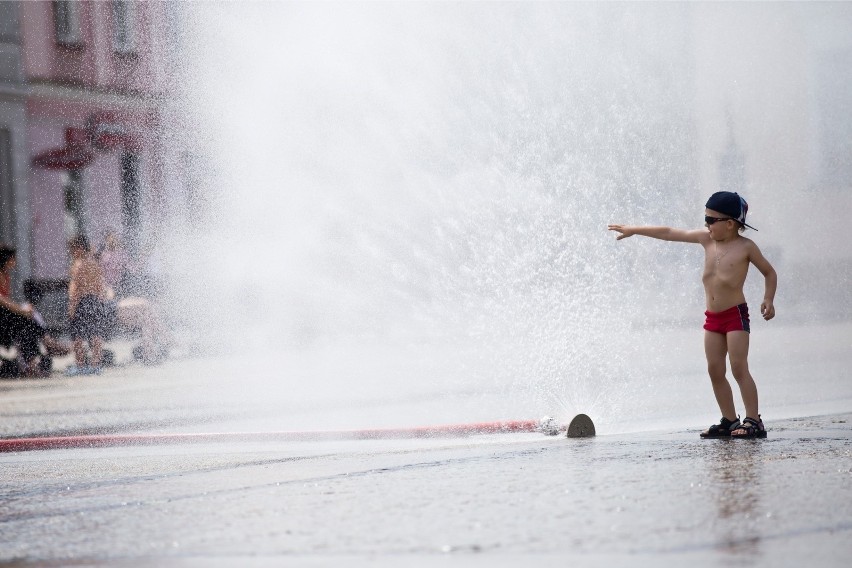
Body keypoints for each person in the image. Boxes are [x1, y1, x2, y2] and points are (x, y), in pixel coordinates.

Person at [608, 191, 777, 439]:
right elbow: (668, 233)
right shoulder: (706, 240)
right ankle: (730, 420)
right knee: (714, 370)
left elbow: (770, 273)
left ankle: (754, 420)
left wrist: (768, 299)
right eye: (705, 219)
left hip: (735, 316)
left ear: (730, 224)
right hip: (713, 318)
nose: (706, 225)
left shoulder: (746, 247)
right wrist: (635, 229)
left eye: (711, 220)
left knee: (739, 368)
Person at [67, 235, 112, 376]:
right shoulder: (94, 263)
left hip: (82, 302)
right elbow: (100, 286)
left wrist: (72, 307)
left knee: (78, 336)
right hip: (95, 301)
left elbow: (76, 289)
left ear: (80, 248)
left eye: (73, 250)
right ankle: (95, 364)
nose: (71, 253)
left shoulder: (78, 264)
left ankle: (80, 365)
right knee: (96, 333)